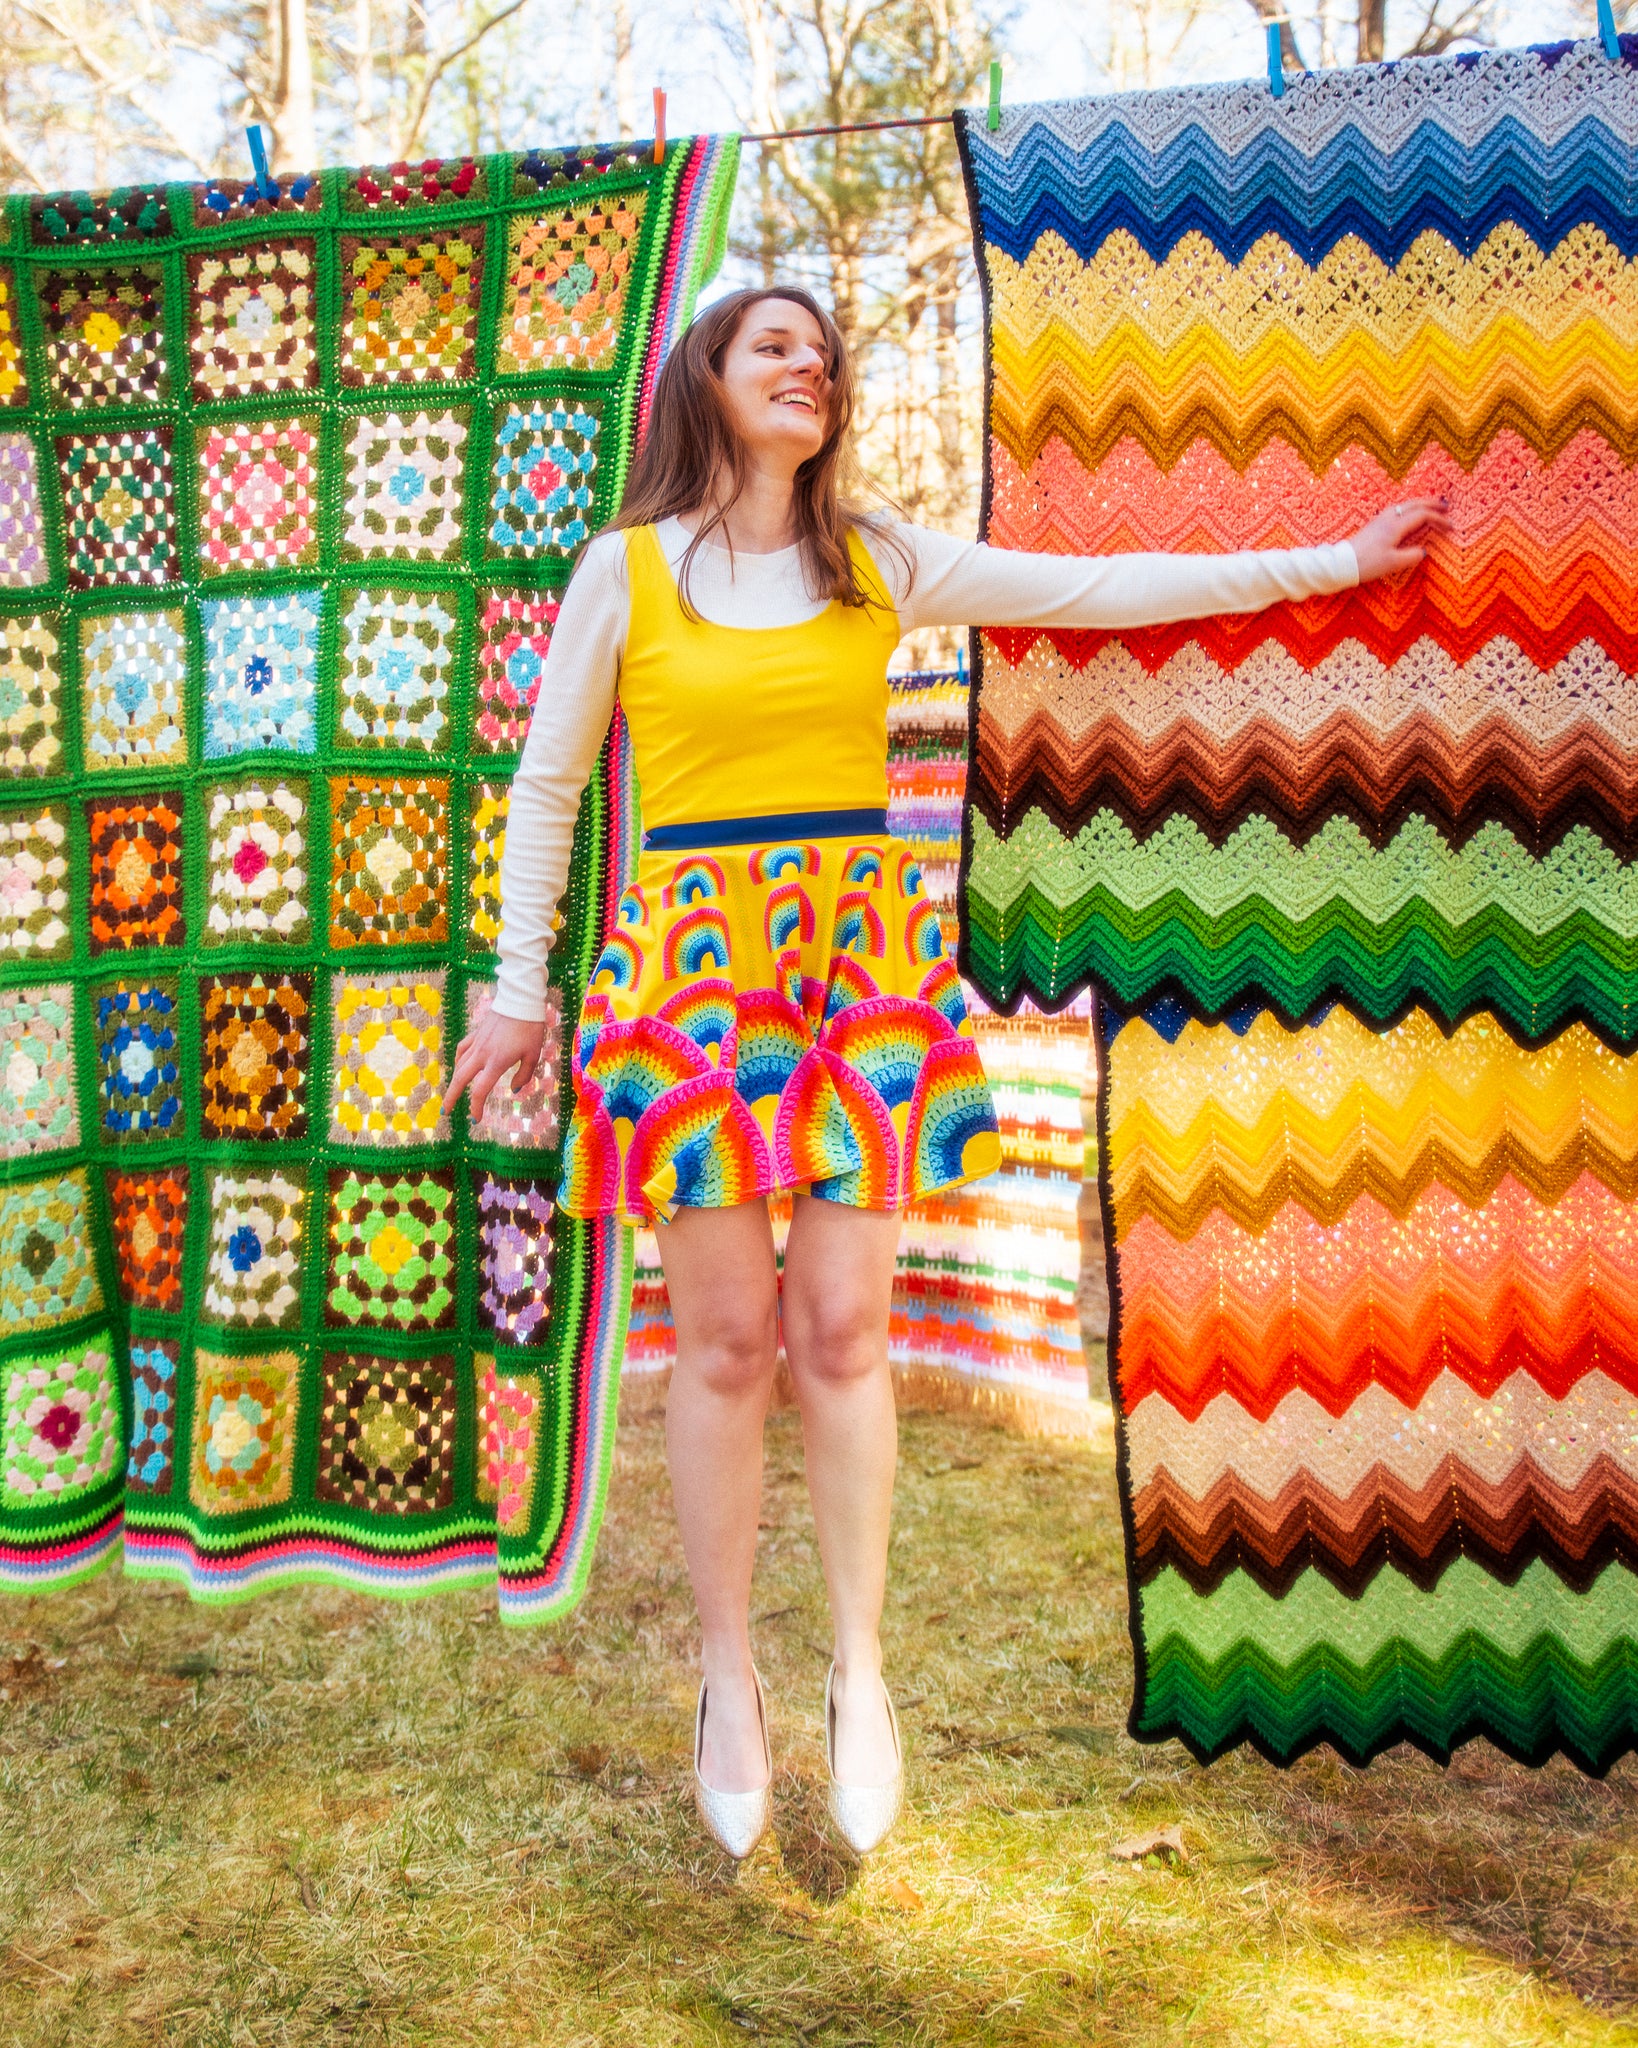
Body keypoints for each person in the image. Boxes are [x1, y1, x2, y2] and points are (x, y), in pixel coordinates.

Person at [443, 285, 1450, 1861]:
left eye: (824, 351)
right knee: (720, 1347)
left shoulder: (878, 560)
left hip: (857, 970)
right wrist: (518, 996)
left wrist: (1326, 563)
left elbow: (1104, 585)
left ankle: (856, 1667)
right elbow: (546, 786)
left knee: (841, 1334)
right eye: (773, 343)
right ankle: (727, 1678)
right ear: (701, 377)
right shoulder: (622, 570)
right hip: (689, 977)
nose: (810, 366)